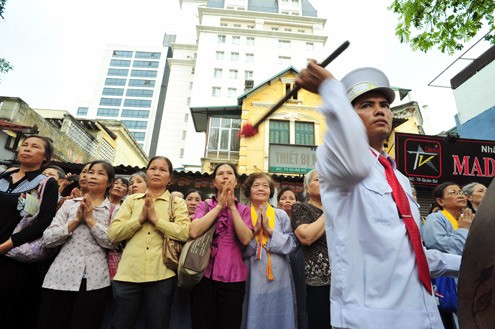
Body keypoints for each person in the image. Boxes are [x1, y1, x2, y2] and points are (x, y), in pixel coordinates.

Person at [296, 64, 462, 328]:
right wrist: (331, 90)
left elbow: (409, 252)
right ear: (347, 116)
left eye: (384, 104)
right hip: (371, 318)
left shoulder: (401, 180)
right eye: (366, 105)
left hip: (422, 314)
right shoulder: (334, 159)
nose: (379, 110)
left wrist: (469, 261)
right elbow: (355, 164)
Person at [108, 156, 190, 329]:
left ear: (170, 177)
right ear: (147, 173)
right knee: (121, 324)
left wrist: (155, 220)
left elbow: (184, 232)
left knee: (158, 324)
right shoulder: (131, 200)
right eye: (153, 168)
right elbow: (114, 234)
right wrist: (139, 220)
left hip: (162, 275)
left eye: (162, 170)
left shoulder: (177, 203)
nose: (157, 172)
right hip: (128, 274)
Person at [37, 160, 116, 329]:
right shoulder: (69, 204)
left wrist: (90, 220)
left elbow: (113, 242)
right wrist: (75, 221)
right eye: (90, 172)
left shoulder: (115, 210)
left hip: (95, 281)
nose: (93, 176)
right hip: (59, 277)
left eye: (100, 173)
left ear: (110, 182)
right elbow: (48, 239)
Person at [0, 135, 59, 329]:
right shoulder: (3, 175)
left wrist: (8, 244)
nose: (27, 149)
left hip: (13, 255)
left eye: (34, 147)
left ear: (45, 157)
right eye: (24, 145)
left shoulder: (46, 183)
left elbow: (43, 221)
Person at [188, 163, 254, 329]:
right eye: (220, 174)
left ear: (236, 181)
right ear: (214, 183)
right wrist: (219, 206)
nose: (225, 176)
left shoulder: (245, 210)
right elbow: (194, 231)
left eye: (229, 173)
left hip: (234, 277)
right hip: (204, 274)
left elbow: (246, 239)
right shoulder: (204, 206)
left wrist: (231, 207)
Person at [241, 173, 298, 329]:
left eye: (265, 186)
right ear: (249, 190)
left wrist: (269, 230)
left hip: (279, 273)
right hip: (252, 271)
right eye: (256, 185)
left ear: (271, 191)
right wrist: (256, 231)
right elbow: (239, 249)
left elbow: (292, 244)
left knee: (280, 313)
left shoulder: (280, 215)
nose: (261, 189)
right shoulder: (242, 214)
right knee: (253, 311)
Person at [291, 169, 330, 329]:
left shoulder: (341, 211)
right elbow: (306, 237)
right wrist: (330, 210)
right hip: (317, 283)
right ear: (307, 187)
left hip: (342, 281)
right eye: (317, 179)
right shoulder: (300, 209)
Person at [170, 188, 204, 329]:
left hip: (195, 268)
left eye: (197, 200)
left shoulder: (204, 221)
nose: (193, 203)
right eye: (189, 199)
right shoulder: (173, 219)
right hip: (173, 267)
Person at [277, 187, 308, 329]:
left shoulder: (303, 221)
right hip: (279, 266)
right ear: (277, 203)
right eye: (283, 198)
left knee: (301, 299)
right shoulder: (273, 220)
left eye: (291, 198)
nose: (287, 201)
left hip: (299, 265)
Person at [423, 182, 474, 255]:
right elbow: (439, 247)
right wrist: (464, 229)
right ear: (440, 201)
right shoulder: (435, 218)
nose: (460, 196)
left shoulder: (467, 219)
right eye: (453, 192)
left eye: (461, 192)